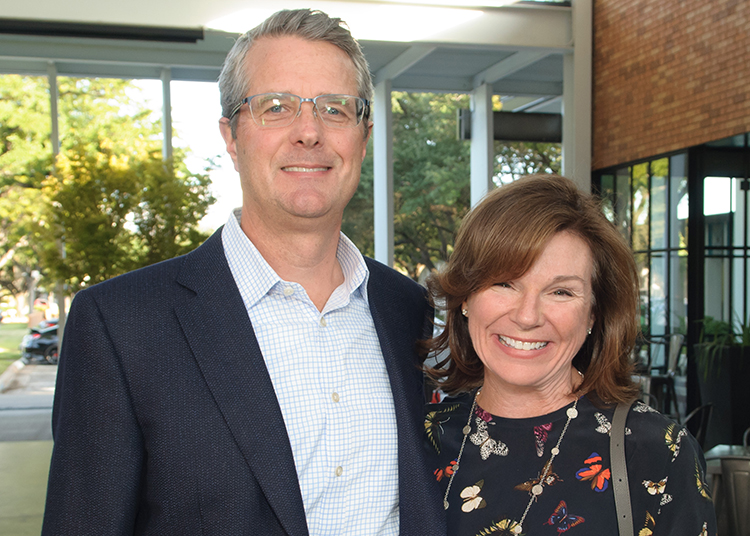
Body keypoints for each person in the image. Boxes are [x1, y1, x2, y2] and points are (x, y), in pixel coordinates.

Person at [42, 9, 445, 536]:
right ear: (231, 136)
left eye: (335, 109)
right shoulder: (121, 325)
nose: (309, 132)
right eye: (275, 107)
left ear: (363, 137)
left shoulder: (406, 308)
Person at [423, 174, 717, 535]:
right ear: (465, 297)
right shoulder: (415, 440)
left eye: (561, 292)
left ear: (593, 313)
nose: (527, 316)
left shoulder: (658, 452)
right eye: (504, 283)